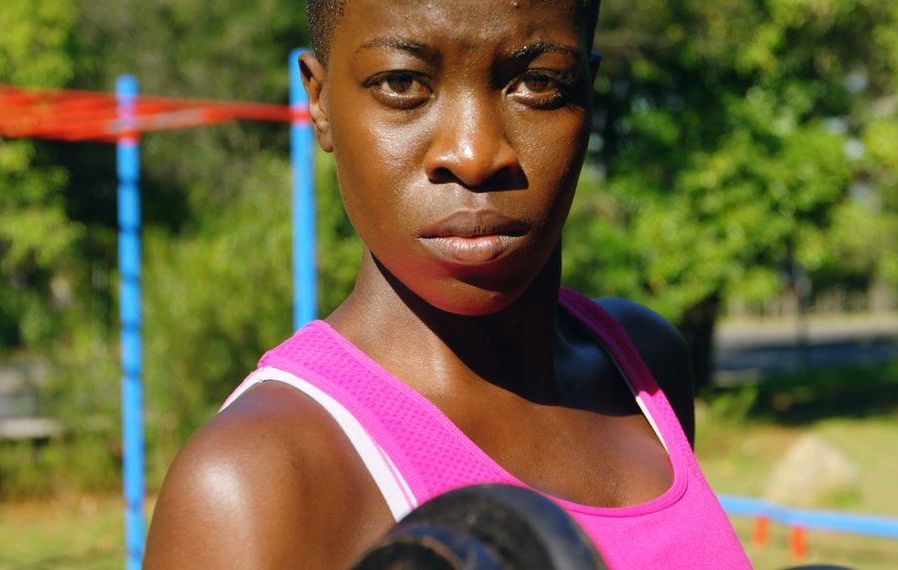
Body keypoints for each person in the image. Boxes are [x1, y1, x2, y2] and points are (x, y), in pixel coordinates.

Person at [144, 1, 751, 568]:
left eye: (538, 82)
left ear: (587, 92)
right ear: (320, 101)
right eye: (403, 83)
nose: (475, 153)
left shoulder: (643, 367)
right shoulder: (256, 480)